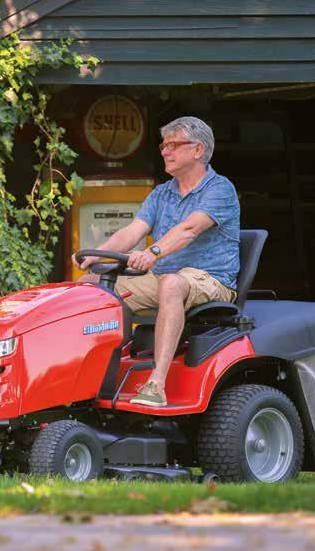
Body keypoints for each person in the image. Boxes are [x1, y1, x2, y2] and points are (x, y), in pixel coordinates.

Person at [74, 116, 240, 407]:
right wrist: (95, 254)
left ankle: (156, 384)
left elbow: (188, 230)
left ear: (198, 150)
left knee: (172, 284)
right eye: (164, 145)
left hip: (210, 280)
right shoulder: (162, 192)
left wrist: (152, 254)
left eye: (174, 145)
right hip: (163, 276)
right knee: (88, 288)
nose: (165, 151)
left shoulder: (220, 189)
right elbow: (132, 231)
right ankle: (85, 379)